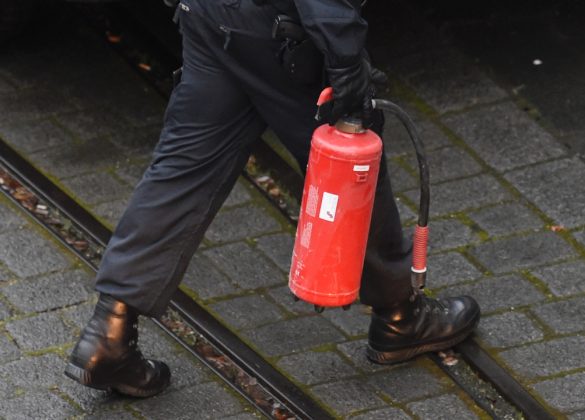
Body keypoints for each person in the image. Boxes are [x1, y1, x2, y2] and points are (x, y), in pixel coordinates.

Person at [64, 0, 480, 397]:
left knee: (183, 169)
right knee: (351, 167)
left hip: (210, 17)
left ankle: (110, 331)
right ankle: (399, 315)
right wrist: (346, 61)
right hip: (275, 32)